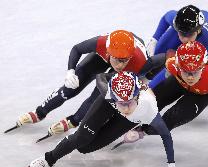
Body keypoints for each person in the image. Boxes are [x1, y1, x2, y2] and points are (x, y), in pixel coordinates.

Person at [18, 71, 190, 167]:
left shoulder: (149, 108)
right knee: (81, 138)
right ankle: (48, 159)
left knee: (87, 149)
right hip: (107, 104)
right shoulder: (109, 94)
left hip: (130, 119)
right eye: (120, 103)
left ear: (137, 96)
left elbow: (167, 137)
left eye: (129, 103)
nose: (125, 108)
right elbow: (101, 76)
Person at [124, 41, 208, 165]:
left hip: (202, 94)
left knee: (170, 119)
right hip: (179, 83)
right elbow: (160, 61)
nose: (190, 77)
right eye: (186, 71)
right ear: (178, 66)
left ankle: (143, 130)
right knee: (151, 101)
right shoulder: (172, 63)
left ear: (203, 67)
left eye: (195, 72)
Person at [5, 30, 166, 136]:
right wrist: (70, 71)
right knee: (71, 87)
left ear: (130, 57)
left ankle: (73, 121)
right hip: (103, 57)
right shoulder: (101, 43)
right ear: (109, 52)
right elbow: (76, 49)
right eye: (117, 60)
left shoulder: (140, 63)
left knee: (97, 96)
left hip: (134, 65)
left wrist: (147, 78)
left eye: (124, 61)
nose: (120, 65)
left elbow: (162, 59)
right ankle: (40, 111)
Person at [146, 4, 208, 87]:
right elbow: (165, 17)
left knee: (177, 66)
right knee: (157, 52)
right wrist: (154, 39)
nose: (184, 40)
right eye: (181, 34)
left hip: (205, 39)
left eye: (189, 35)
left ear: (198, 31)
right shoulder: (178, 21)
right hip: (190, 28)